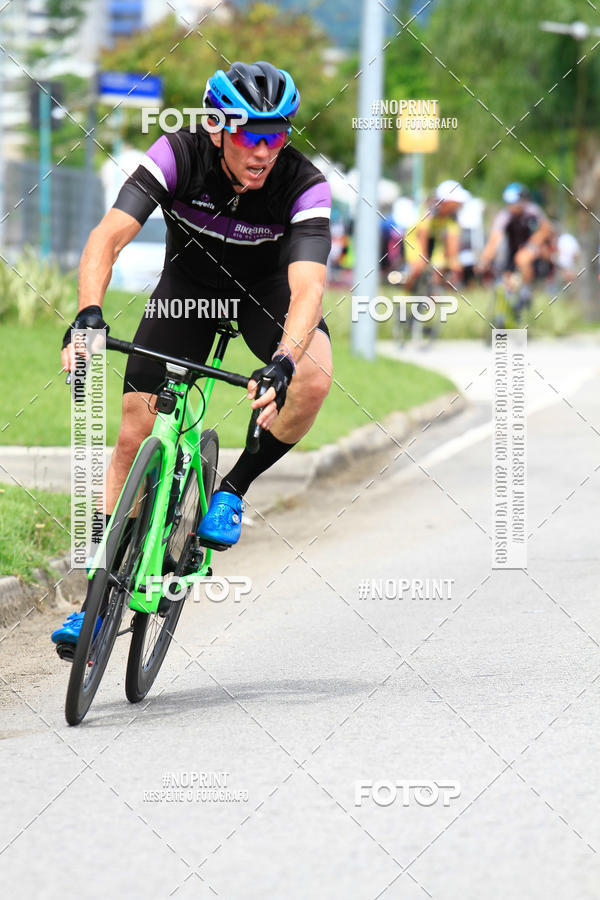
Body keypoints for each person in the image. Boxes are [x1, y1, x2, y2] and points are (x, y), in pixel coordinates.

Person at [51, 61, 332, 655]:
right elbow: (108, 236)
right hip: (189, 291)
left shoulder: (304, 184)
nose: (265, 150)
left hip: (268, 296)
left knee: (313, 376)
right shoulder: (177, 155)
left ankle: (231, 488)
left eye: (277, 134)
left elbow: (307, 288)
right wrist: (88, 315)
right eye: (251, 135)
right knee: (134, 431)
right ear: (216, 127)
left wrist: (282, 362)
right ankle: (96, 599)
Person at [478, 183, 555, 288]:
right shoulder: (504, 216)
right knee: (507, 278)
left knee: (522, 258)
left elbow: (547, 230)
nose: (513, 206)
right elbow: (494, 238)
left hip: (534, 249)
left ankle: (527, 289)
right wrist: (485, 259)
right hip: (512, 252)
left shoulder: (533, 211)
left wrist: (532, 244)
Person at [403, 179, 469, 290]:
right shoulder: (431, 210)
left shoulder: (453, 217)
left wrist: (453, 261)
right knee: (418, 267)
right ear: (446, 201)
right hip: (414, 238)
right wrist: (423, 258)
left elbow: (453, 239)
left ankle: (431, 300)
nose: (459, 205)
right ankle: (405, 296)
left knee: (439, 268)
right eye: (456, 202)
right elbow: (422, 234)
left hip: (434, 240)